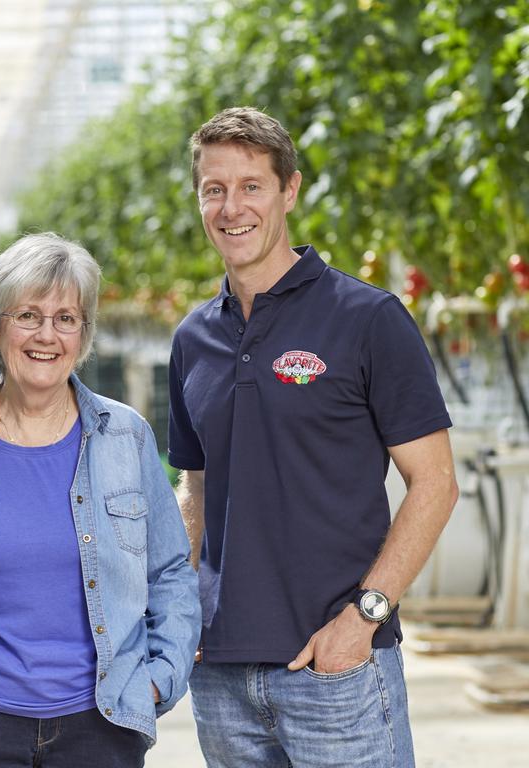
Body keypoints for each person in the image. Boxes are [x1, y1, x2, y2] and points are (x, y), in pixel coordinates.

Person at [167, 106, 459, 767]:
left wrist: (365, 617)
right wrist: (178, 610)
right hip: (220, 675)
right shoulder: (192, 339)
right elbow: (197, 491)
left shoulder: (369, 318)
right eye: (214, 188)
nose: (230, 207)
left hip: (338, 670)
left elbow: (435, 483)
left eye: (251, 186)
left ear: (290, 189)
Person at [0, 233, 201, 767]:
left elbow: (170, 570)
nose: (47, 335)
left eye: (66, 318)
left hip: (101, 725)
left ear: (83, 334)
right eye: (28, 315)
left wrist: (158, 677)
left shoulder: (125, 437)